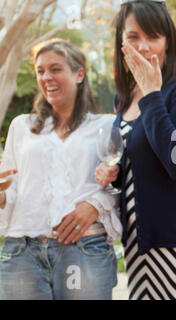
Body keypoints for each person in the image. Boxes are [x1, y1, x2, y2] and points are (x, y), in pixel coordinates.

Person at [95, 0, 176, 300]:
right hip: (138, 245)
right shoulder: (122, 98)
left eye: (153, 36)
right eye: (133, 36)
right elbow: (138, 159)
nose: (144, 46)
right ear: (121, 41)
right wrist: (112, 172)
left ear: (168, 41)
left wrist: (152, 93)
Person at [0, 39, 121, 300]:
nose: (46, 77)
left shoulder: (107, 126)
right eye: (40, 71)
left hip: (84, 249)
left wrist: (96, 205)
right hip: (23, 251)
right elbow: (12, 191)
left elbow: (125, 186)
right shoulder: (21, 127)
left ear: (79, 74)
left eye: (55, 69)